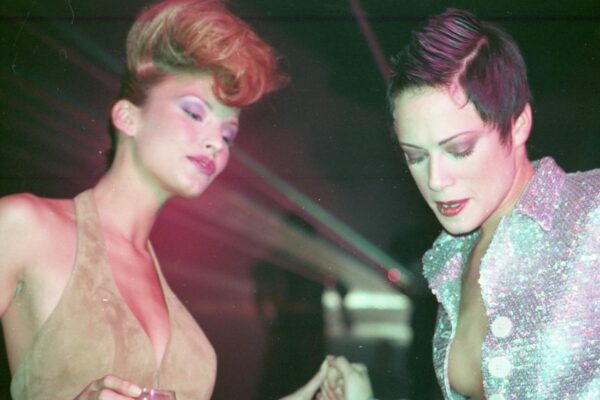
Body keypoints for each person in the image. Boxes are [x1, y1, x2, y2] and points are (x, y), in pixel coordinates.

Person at [0, 1, 330, 399]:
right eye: (194, 113)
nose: (216, 142)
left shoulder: (180, 314)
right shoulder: (24, 225)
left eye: (228, 135)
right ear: (128, 117)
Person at [322, 8, 600, 400]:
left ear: (518, 124)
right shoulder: (449, 263)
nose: (436, 180)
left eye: (459, 149)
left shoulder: (591, 213)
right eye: (415, 156)